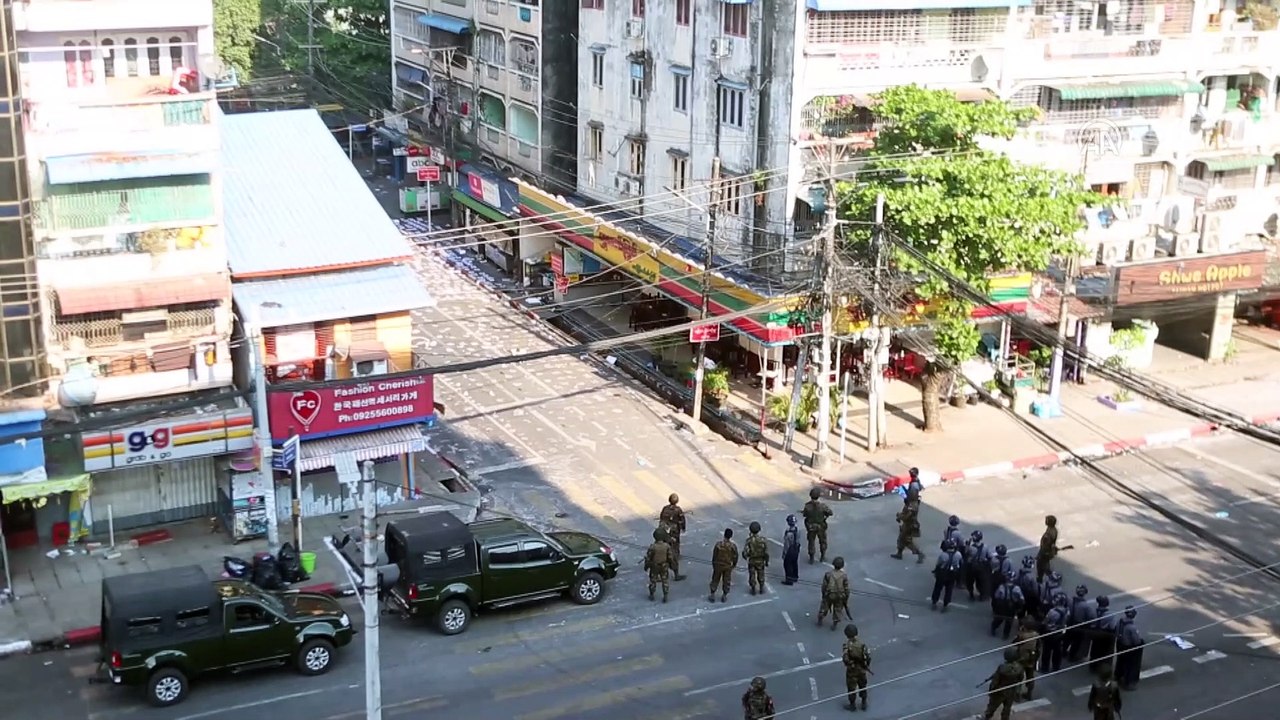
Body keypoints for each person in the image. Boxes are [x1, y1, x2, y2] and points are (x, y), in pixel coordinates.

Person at [981, 647, 1025, 720]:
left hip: (1000, 691)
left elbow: (995, 680)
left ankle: (987, 717)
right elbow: (1020, 678)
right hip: (1011, 691)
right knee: (1007, 708)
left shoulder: (1002, 667)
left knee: (992, 706)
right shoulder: (1019, 667)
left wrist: (991, 690)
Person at [842, 624, 872, 711]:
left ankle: (852, 705)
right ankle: (864, 703)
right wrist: (866, 666)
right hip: (862, 669)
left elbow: (845, 659)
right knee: (863, 686)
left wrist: (848, 664)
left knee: (851, 688)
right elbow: (868, 657)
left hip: (852, 670)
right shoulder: (862, 645)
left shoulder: (847, 645)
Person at [1114, 606, 1144, 690]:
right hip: (1128, 647)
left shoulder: (1120, 621)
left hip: (1120, 644)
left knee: (1120, 662)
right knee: (1130, 665)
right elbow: (1136, 641)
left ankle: (1118, 676)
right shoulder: (1131, 627)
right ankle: (1128, 683)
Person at [659, 493, 688, 581]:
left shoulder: (665, 508)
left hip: (665, 531)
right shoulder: (678, 510)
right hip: (674, 532)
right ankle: (676, 574)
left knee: (664, 549)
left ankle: (661, 575)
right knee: (674, 550)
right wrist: (683, 528)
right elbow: (682, 520)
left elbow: (661, 518)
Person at [802, 487, 833, 564]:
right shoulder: (822, 506)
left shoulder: (807, 506)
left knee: (811, 542)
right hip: (821, 526)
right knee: (822, 541)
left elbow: (805, 515)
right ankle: (822, 556)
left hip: (811, 526)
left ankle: (811, 558)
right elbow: (830, 513)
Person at [1065, 584, 1095, 663]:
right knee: (1076, 642)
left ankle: (1063, 652)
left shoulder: (1070, 601)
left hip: (1070, 622)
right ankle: (1072, 656)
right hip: (1079, 624)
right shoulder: (1086, 606)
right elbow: (1091, 617)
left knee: (1067, 638)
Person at [818, 556, 850, 630]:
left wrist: (823, 595)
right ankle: (834, 624)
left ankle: (820, 619)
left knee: (824, 608)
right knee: (838, 610)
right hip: (839, 596)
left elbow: (824, 586)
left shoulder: (828, 574)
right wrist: (846, 598)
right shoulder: (844, 576)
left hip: (829, 594)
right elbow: (847, 589)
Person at [931, 539, 964, 612]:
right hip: (952, 573)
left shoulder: (943, 555)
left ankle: (934, 601)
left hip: (943, 573)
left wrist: (936, 572)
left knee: (938, 588)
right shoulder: (958, 554)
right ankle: (946, 604)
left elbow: (938, 564)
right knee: (949, 589)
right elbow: (961, 563)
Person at [990, 570, 1024, 640]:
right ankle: (1005, 635)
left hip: (1001, 606)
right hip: (1011, 607)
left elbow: (996, 596)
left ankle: (993, 628)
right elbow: (1021, 598)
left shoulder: (1001, 587)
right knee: (1009, 621)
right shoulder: (1017, 588)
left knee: (999, 619)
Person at [1039, 594, 1068, 673]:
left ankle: (1045, 668)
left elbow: (1045, 621)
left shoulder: (1052, 611)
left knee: (1046, 651)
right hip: (1059, 633)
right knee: (1057, 651)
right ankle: (1056, 667)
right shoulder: (1066, 611)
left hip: (1050, 632)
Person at [708, 528, 739, 603]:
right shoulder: (733, 546)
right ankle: (724, 595)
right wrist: (734, 565)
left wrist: (714, 564)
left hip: (718, 565)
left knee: (715, 579)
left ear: (724, 534)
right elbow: (735, 557)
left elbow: (714, 555)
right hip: (727, 566)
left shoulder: (718, 544)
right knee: (726, 580)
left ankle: (712, 594)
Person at [643, 528, 673, 603]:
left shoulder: (653, 547)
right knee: (665, 581)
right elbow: (670, 557)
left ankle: (652, 594)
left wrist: (646, 566)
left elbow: (648, 558)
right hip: (664, 565)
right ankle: (665, 595)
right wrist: (671, 564)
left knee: (653, 581)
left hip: (654, 566)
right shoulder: (667, 546)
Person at [1013, 620, 1041, 700]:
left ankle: (1017, 695)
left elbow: (1014, 643)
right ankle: (1029, 694)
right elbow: (1039, 647)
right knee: (1030, 676)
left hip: (1021, 658)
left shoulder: (1022, 635)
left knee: (1018, 676)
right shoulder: (1037, 635)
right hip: (1031, 659)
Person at [1089, 595, 1118, 673]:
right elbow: (1112, 626)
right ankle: (1104, 668)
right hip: (1105, 635)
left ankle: (1093, 666)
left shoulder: (1093, 612)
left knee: (1094, 650)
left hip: (1095, 633)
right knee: (1106, 651)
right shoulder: (1110, 615)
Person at [744, 521, 770, 595]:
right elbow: (766, 553)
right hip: (760, 560)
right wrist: (767, 561)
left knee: (752, 574)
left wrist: (746, 556)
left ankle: (753, 588)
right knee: (761, 574)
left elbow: (745, 552)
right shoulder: (763, 540)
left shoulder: (749, 540)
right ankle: (761, 587)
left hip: (752, 560)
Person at [964, 530, 990, 601]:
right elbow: (989, 556)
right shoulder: (985, 547)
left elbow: (965, 552)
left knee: (970, 581)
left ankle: (971, 594)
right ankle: (982, 595)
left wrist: (967, 544)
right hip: (981, 566)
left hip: (971, 566)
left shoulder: (971, 548)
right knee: (981, 581)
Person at [1036, 515, 1059, 582]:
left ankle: (1050, 578)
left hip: (1045, 553)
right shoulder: (1054, 530)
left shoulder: (1049, 533)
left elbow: (1045, 546)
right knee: (1045, 565)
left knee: (1041, 566)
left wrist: (1040, 554)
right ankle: (1050, 576)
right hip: (1048, 552)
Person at [781, 515, 801, 585]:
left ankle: (789, 580)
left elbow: (786, 545)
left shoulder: (788, 533)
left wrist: (784, 553)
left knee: (787, 564)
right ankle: (795, 576)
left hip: (790, 550)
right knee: (794, 563)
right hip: (796, 548)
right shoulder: (797, 530)